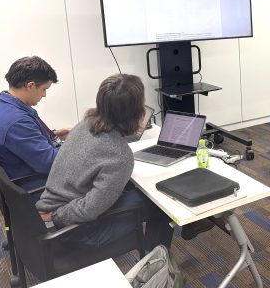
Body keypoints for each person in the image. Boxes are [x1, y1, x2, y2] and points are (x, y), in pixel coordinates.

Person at [36, 74, 175, 250]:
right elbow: (89, 210)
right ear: (136, 112)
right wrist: (55, 216)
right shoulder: (120, 155)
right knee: (161, 203)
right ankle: (155, 261)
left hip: (55, 207)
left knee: (132, 189)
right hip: (79, 231)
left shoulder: (85, 124)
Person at [0, 56, 69, 192]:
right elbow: (49, 163)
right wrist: (78, 145)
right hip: (39, 187)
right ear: (30, 86)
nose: (44, 95)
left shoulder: (6, 104)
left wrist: (54, 134)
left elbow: (23, 140)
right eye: (44, 89)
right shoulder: (17, 121)